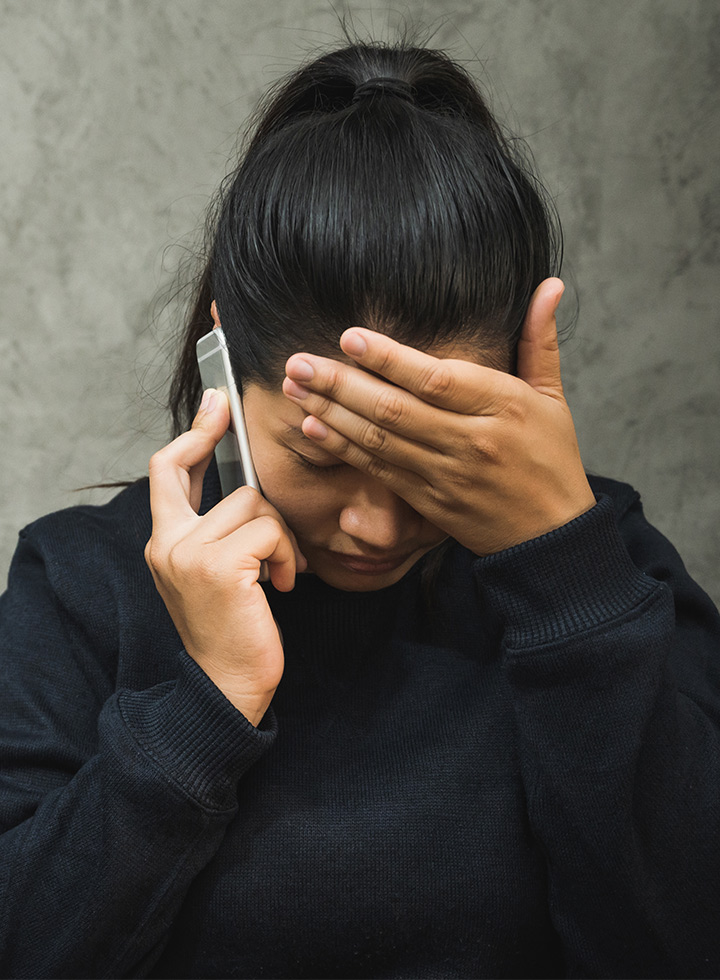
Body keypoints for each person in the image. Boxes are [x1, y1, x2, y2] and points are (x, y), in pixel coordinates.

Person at [1, 39, 719, 980]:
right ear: (224, 365)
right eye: (321, 455)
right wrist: (204, 703)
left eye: (431, 453)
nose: (375, 527)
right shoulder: (81, 583)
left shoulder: (604, 570)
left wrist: (565, 578)